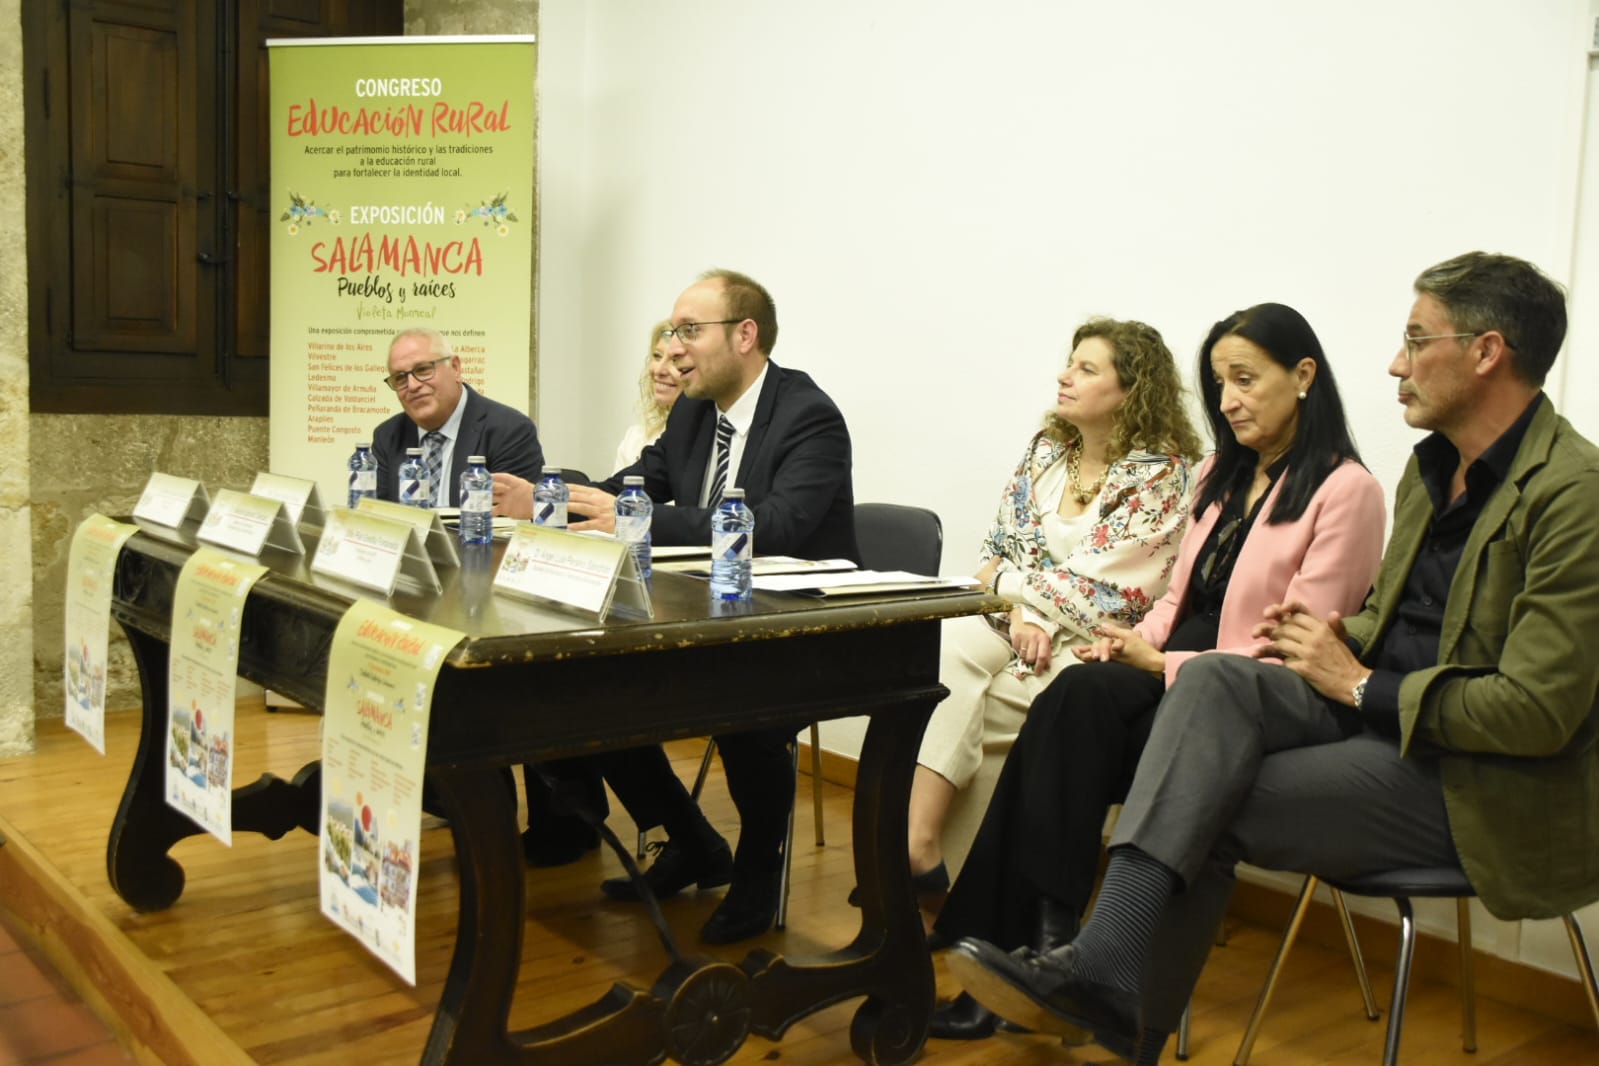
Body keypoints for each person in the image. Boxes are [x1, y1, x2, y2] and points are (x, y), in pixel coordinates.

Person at [947, 252, 1599, 1066]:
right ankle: (1099, 976)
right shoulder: (1431, 473)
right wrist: (1340, 644)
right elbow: (1384, 625)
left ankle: (1113, 1001)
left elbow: (1537, 714)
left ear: (1485, 351)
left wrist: (1354, 677)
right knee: (1196, 685)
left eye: (1414, 338)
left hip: (1477, 780)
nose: (1395, 362)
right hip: (1368, 720)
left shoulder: (1575, 494)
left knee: (1201, 791)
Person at [928, 302, 1386, 1039]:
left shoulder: (1346, 490)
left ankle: (1031, 957)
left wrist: (1161, 660)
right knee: (1073, 696)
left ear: (1303, 377)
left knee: (1068, 719)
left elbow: (1300, 649)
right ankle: (1043, 951)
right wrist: (1126, 639)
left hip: (1253, 698)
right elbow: (1176, 597)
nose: (1228, 401)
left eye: (1245, 380)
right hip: (1174, 671)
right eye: (1218, 385)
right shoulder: (1218, 473)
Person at [495, 268, 858, 944]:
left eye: (690, 330)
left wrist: (639, 518)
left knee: (748, 706)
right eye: (672, 332)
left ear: (745, 335)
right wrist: (549, 497)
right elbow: (632, 484)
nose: (677, 346)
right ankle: (692, 840)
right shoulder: (694, 412)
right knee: (590, 687)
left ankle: (756, 874)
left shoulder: (808, 414)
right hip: (703, 607)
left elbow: (776, 526)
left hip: (794, 622)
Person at [898, 319, 1202, 899]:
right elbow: (995, 550)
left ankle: (965, 890)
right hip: (1014, 619)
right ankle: (919, 845)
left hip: (1100, 640)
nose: (1064, 377)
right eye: (1070, 363)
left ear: (1132, 391)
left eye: (1087, 369)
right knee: (943, 650)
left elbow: (1109, 590)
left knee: (1005, 703)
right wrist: (1022, 610)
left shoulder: (1165, 475)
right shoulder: (1047, 451)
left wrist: (1020, 595)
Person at [373, 327, 544, 506]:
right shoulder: (388, 436)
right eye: (400, 378)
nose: (412, 385)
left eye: (423, 370)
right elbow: (377, 519)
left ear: (455, 367)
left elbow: (508, 523)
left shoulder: (509, 431)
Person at [613, 319, 682, 471]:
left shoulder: (712, 440)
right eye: (657, 356)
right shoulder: (635, 439)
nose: (659, 370)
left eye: (675, 360)